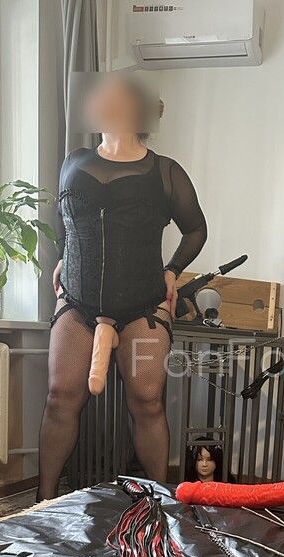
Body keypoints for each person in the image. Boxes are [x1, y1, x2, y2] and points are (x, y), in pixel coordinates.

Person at [38, 74, 207, 501]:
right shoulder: (73, 161)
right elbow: (65, 218)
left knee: (147, 403)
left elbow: (196, 230)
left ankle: (159, 504)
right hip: (76, 301)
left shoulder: (166, 171)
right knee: (60, 398)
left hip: (143, 306)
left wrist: (173, 270)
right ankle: (42, 502)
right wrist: (64, 256)